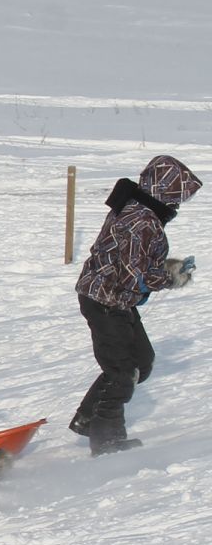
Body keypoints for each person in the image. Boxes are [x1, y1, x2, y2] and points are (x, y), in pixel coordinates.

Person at [72, 155, 200, 455]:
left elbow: (134, 262)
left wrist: (168, 269)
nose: (179, 204)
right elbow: (134, 275)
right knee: (122, 372)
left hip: (117, 300)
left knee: (141, 361)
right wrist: (171, 276)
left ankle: (88, 417)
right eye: (178, 197)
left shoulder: (143, 210)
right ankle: (106, 439)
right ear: (164, 191)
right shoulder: (140, 220)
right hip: (104, 299)